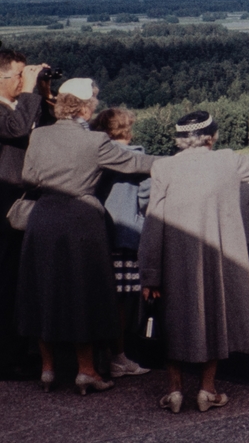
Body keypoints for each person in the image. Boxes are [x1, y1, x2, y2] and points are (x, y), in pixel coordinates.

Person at [16, 78, 156, 395]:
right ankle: (86, 371)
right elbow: (137, 163)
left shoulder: (39, 135)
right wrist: (184, 162)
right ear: (86, 107)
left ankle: (48, 369)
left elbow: (28, 178)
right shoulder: (95, 141)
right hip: (81, 222)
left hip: (43, 218)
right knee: (84, 294)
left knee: (42, 291)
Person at [139, 110, 249, 413]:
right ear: (211, 137)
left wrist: (150, 275)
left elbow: (152, 224)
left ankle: (175, 390)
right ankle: (207, 390)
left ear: (180, 140)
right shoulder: (227, 161)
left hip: (173, 259)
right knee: (216, 318)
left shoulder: (163, 167)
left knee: (170, 318)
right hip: (218, 259)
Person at [0, 49, 51, 381]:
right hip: (4, 208)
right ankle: (6, 359)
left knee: (19, 282)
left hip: (21, 207)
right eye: (20, 75)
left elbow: (44, 129)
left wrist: (42, 93)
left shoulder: (19, 106)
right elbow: (17, 129)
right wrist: (30, 90)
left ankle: (18, 352)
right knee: (5, 283)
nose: (23, 80)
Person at [91, 107, 152, 378]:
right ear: (127, 128)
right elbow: (146, 199)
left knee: (100, 299)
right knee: (121, 302)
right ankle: (118, 357)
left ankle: (100, 355)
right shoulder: (137, 157)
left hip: (97, 235)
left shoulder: (95, 155)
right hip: (125, 238)